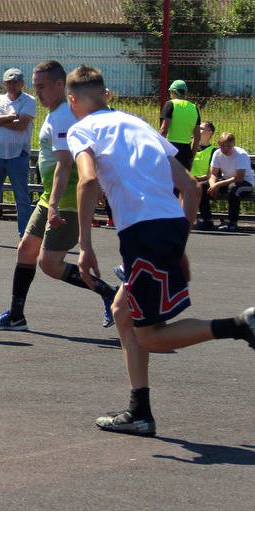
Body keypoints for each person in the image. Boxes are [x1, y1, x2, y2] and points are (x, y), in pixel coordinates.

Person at [66, 65, 254, 436]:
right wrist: (178, 245)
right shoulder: (139, 125)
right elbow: (191, 187)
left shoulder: (81, 129)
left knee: (149, 334)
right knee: (122, 311)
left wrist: (84, 247)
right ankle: (139, 411)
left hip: (142, 232)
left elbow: (87, 180)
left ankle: (241, 325)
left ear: (73, 101)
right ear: (106, 94)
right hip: (167, 226)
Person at [0, 61, 117, 333]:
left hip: (67, 202)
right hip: (50, 197)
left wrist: (54, 205)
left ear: (59, 85)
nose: (38, 92)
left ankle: (111, 294)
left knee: (50, 265)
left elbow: (65, 164)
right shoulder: (56, 112)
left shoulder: (63, 116)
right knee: (26, 250)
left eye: (42, 87)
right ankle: (16, 316)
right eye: (36, 87)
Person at [0, 68, 36, 238]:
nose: (12, 85)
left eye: (15, 82)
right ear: (4, 83)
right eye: (8, 82)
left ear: (22, 84)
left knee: (22, 198)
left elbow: (22, 126)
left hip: (18, 155)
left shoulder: (29, 101)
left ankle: (24, 235)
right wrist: (10, 117)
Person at [203, 132, 253, 232]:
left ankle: (232, 223)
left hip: (246, 182)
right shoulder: (217, 153)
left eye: (228, 146)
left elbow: (239, 178)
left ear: (233, 144)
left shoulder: (241, 154)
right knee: (201, 187)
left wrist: (218, 184)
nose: (225, 149)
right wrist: (213, 186)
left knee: (234, 190)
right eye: (222, 146)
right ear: (218, 144)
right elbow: (213, 174)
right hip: (227, 180)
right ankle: (207, 220)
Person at [159, 79, 200, 170]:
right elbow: (197, 136)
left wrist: (158, 150)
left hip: (171, 149)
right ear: (185, 93)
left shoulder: (170, 104)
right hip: (186, 151)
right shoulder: (194, 108)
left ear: (173, 92)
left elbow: (163, 130)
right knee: (183, 183)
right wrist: (191, 156)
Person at [191, 121, 219, 230]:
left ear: (210, 133)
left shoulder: (214, 151)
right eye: (199, 128)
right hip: (188, 179)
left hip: (203, 180)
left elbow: (212, 174)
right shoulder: (190, 147)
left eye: (202, 129)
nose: (199, 130)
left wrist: (197, 178)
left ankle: (207, 220)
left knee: (201, 187)